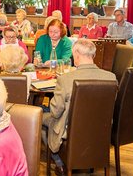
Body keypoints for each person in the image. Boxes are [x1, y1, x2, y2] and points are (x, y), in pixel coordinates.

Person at [42, 39, 116, 171]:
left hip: (69, 130)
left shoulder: (65, 79)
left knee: (40, 115)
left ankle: (59, 161)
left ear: (76, 54)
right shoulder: (111, 77)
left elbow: (56, 112)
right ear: (93, 55)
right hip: (100, 129)